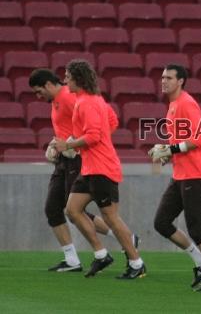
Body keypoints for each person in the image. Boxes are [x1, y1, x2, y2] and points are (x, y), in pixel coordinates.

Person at [28, 68, 138, 272]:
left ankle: (124, 242)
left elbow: (110, 121)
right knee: (55, 209)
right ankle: (72, 259)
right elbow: (70, 130)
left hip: (80, 160)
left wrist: (76, 146)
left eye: (38, 91)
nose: (38, 96)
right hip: (66, 158)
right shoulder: (60, 100)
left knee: (80, 211)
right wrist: (58, 145)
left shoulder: (74, 97)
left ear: (49, 85)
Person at [54, 59, 145, 279]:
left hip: (102, 168)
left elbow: (94, 136)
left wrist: (70, 144)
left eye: (67, 76)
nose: (65, 81)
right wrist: (82, 143)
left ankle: (136, 262)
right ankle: (102, 254)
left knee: (111, 217)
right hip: (90, 167)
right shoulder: (90, 100)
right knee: (72, 210)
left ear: (78, 79)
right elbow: (111, 122)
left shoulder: (87, 102)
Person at [149, 64, 201, 291]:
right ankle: (200, 262)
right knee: (161, 223)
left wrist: (170, 150)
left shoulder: (186, 103)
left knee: (196, 228)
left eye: (169, 78)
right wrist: (167, 155)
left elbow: (200, 138)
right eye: (162, 77)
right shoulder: (173, 105)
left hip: (195, 174)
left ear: (181, 81)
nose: (163, 81)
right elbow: (182, 144)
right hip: (181, 174)